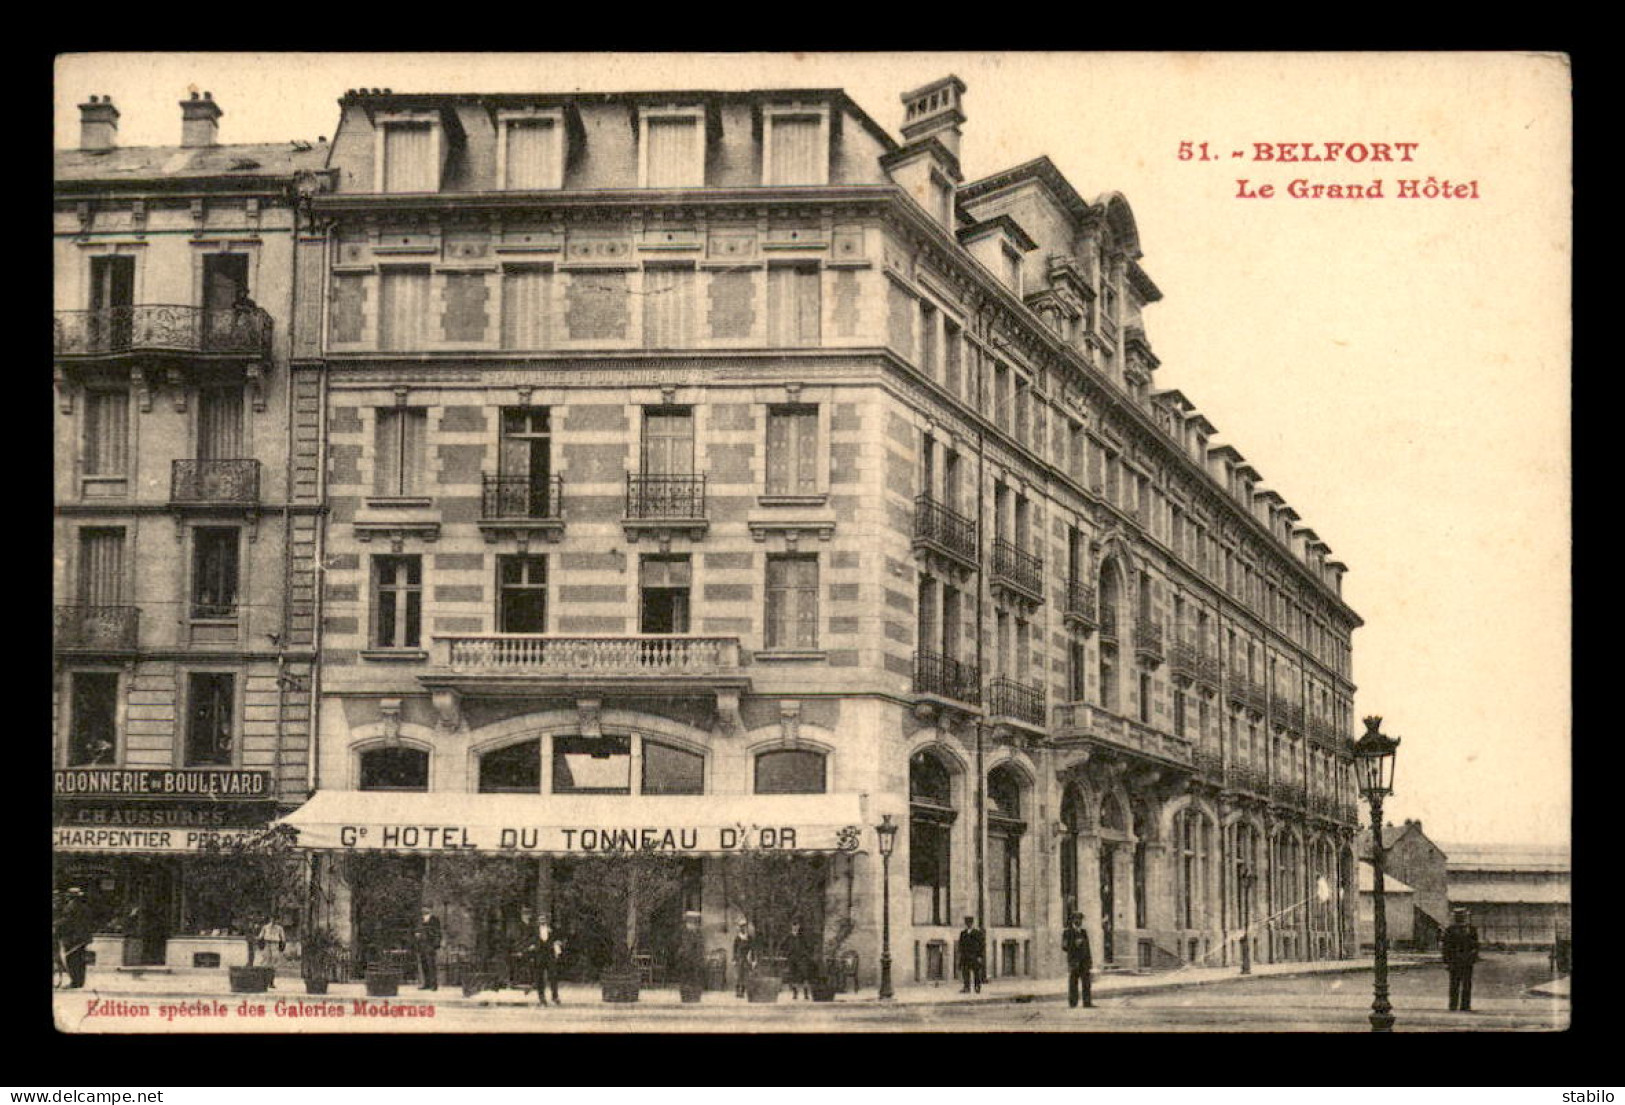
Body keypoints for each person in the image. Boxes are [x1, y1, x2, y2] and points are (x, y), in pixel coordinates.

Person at [1442, 906, 1480, 1012]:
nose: (1460, 918)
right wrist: (1446, 961)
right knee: (1454, 984)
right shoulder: (1450, 930)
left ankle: (1465, 1005)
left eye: (1462, 916)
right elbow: (1446, 947)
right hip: (1454, 961)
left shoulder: (1471, 929)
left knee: (1466, 984)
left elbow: (1476, 945)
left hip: (1467, 961)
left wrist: (1473, 957)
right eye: (1458, 916)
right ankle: (1453, 1005)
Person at [56, 888, 92, 989]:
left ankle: (75, 982)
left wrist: (57, 925)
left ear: (71, 896)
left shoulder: (71, 906)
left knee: (72, 959)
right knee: (80, 960)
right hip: (82, 937)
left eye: (68, 895)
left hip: (73, 937)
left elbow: (67, 921)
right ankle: (80, 981)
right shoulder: (85, 907)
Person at [527, 913, 563, 1006]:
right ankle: (542, 998)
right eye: (540, 920)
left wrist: (557, 948)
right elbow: (530, 939)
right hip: (539, 955)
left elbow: (557, 940)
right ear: (538, 921)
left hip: (550, 955)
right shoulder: (534, 930)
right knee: (539, 977)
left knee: (553, 975)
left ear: (547, 921)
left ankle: (555, 996)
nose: (542, 921)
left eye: (544, 919)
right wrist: (532, 946)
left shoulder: (552, 929)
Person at [1062, 912, 1094, 1008]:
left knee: (1086, 983)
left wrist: (1090, 961)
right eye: (1076, 919)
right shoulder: (1067, 932)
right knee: (1073, 982)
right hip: (1074, 961)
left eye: (1080, 919)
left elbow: (1088, 947)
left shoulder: (1084, 932)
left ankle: (1087, 1002)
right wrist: (1074, 944)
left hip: (1084, 961)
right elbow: (1064, 947)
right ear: (1072, 920)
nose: (1078, 921)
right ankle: (1073, 1003)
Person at [674, 911, 706, 998]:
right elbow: (677, 943)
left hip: (695, 959)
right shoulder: (682, 931)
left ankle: (695, 996)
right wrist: (681, 951)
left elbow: (701, 945)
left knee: (695, 977)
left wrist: (701, 956)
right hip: (685, 958)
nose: (693, 923)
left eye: (695, 921)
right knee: (685, 977)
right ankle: (686, 995)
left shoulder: (698, 932)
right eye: (691, 920)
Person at [411, 906, 442, 991]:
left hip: (430, 944)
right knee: (424, 964)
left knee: (431, 964)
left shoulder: (434, 919)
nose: (424, 910)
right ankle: (426, 983)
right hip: (422, 945)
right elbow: (417, 929)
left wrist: (435, 944)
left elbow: (437, 932)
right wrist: (417, 934)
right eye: (423, 908)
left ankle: (433, 984)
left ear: (430, 909)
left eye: (426, 908)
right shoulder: (420, 920)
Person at [785, 921, 816, 1000]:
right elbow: (783, 945)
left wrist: (805, 954)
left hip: (801, 958)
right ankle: (795, 994)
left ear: (799, 927)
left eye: (797, 926)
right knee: (793, 975)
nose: (795, 927)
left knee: (804, 975)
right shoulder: (788, 936)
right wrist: (788, 953)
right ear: (791, 926)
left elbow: (808, 946)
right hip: (792, 958)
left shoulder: (802, 936)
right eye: (794, 925)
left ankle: (806, 994)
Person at [955, 915, 986, 994]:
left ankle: (977, 987)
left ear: (972, 923)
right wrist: (961, 955)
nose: (968, 924)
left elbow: (982, 945)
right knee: (965, 972)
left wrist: (980, 956)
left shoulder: (977, 933)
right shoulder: (963, 933)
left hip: (974, 956)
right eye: (967, 923)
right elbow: (961, 945)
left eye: (970, 923)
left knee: (976, 972)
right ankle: (966, 987)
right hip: (965, 956)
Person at [256, 915, 288, 988]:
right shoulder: (265, 927)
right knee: (265, 962)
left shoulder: (279, 928)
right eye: (272, 919)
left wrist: (282, 947)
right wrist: (261, 946)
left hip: (275, 945)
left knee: (273, 964)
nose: (273, 921)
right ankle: (263, 981)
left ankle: (271, 982)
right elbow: (260, 937)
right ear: (270, 919)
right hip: (267, 944)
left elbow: (283, 939)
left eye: (275, 919)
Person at [731, 921, 756, 998]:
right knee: (739, 975)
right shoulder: (737, 938)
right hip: (739, 958)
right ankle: (738, 991)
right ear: (740, 928)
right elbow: (734, 950)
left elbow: (752, 949)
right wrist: (734, 959)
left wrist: (754, 960)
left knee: (746, 975)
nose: (743, 928)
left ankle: (743, 991)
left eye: (744, 927)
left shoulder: (749, 938)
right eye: (742, 927)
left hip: (747, 958)